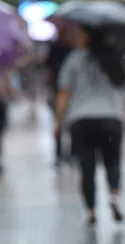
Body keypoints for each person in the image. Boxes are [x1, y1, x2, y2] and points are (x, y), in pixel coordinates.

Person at [54, 25, 125, 226]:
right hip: (111, 117)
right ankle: (113, 197)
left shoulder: (74, 59)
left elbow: (64, 93)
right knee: (113, 162)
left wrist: (58, 121)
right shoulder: (114, 58)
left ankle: (92, 211)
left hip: (81, 119)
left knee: (87, 167)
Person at [45, 27, 73, 165]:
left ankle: (71, 152)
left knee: (68, 122)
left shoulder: (72, 49)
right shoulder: (57, 48)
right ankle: (59, 152)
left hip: (70, 90)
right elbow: (49, 69)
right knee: (59, 122)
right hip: (58, 89)